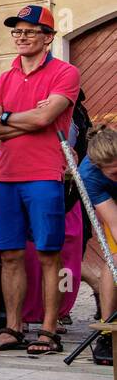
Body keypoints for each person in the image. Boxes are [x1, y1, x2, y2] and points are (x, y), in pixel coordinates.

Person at [0, 6, 81, 356]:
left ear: (48, 37)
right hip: (6, 174)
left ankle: (49, 329)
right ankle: (12, 327)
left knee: (47, 253)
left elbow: (46, 117)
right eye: (17, 31)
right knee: (9, 253)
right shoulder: (4, 78)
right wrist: (24, 119)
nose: (21, 37)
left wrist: (12, 119)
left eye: (30, 31)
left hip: (44, 173)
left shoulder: (65, 72)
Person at [78, 125, 117, 365]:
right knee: (114, 259)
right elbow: (114, 222)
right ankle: (107, 329)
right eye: (114, 173)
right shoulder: (89, 174)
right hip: (111, 201)